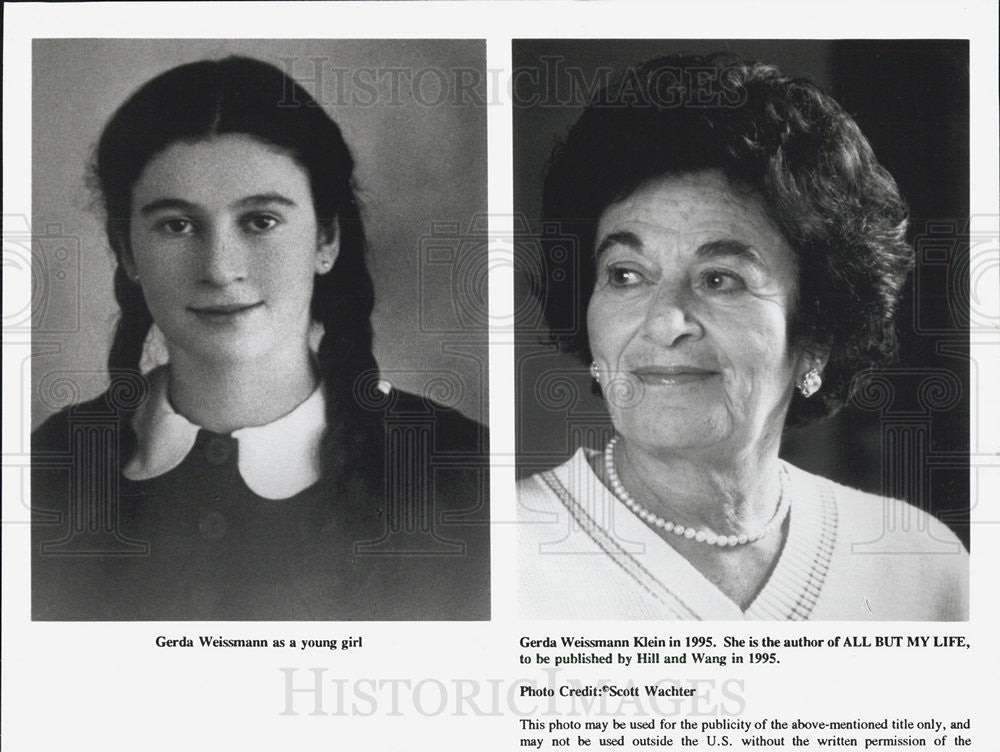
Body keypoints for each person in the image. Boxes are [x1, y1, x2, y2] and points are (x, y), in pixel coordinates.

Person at [32, 56, 489, 621]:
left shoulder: (463, 473)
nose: (221, 268)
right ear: (127, 251)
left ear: (325, 239)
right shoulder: (44, 469)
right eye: (176, 225)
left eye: (261, 221)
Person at [517, 52, 968, 621]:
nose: (664, 321)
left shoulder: (921, 567)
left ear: (818, 332)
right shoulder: (504, 550)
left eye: (720, 280)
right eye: (625, 275)